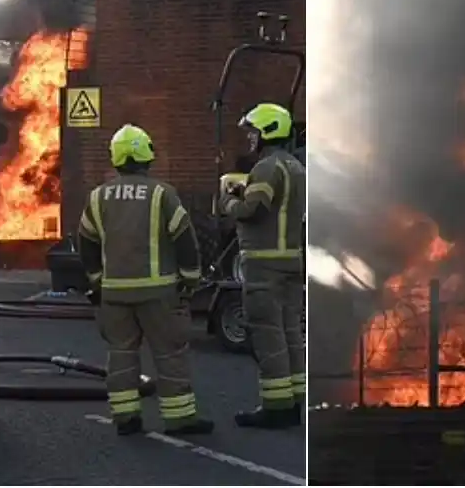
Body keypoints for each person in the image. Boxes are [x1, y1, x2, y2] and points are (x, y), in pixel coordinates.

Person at [77, 124, 213, 437]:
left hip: (114, 293)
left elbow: (85, 241)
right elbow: (185, 240)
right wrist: (190, 279)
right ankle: (179, 419)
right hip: (159, 292)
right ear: (146, 156)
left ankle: (126, 417)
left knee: (121, 354)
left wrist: (97, 278)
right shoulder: (162, 194)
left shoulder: (98, 197)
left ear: (116, 158)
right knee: (169, 352)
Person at [220, 102, 306, 429]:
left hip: (263, 266)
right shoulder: (296, 167)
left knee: (268, 335)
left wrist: (228, 200)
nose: (250, 138)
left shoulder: (268, 167)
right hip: (290, 262)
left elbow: (253, 209)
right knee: (290, 334)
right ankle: (296, 400)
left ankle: (276, 407)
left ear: (268, 131)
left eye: (253, 131)